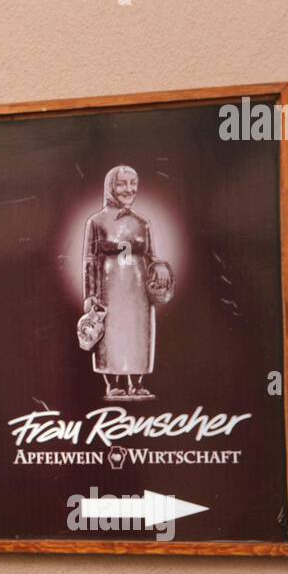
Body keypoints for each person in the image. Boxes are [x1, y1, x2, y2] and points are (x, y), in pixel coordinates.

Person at [81, 165, 171, 399]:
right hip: (108, 289)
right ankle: (113, 383)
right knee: (110, 333)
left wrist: (160, 265)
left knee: (138, 332)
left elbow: (151, 255)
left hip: (138, 289)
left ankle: (137, 382)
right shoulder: (96, 222)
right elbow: (90, 260)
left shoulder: (143, 223)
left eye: (133, 184)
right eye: (122, 184)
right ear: (110, 186)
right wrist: (90, 295)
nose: (128, 189)